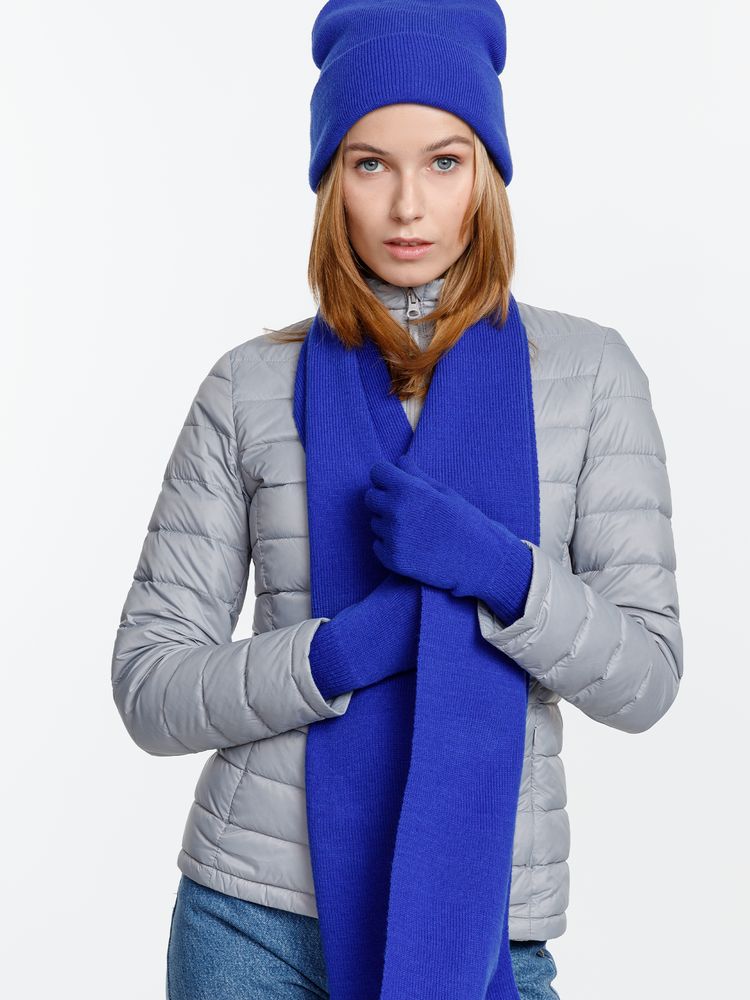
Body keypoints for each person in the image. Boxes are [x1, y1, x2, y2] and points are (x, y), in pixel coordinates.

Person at [111, 2, 683, 998]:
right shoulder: (248, 387)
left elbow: (646, 677)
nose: (408, 205)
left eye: (444, 162)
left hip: (487, 924)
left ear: (486, 174)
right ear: (330, 179)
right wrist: (335, 654)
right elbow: (150, 685)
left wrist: (503, 575)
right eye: (370, 163)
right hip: (254, 919)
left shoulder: (590, 376)